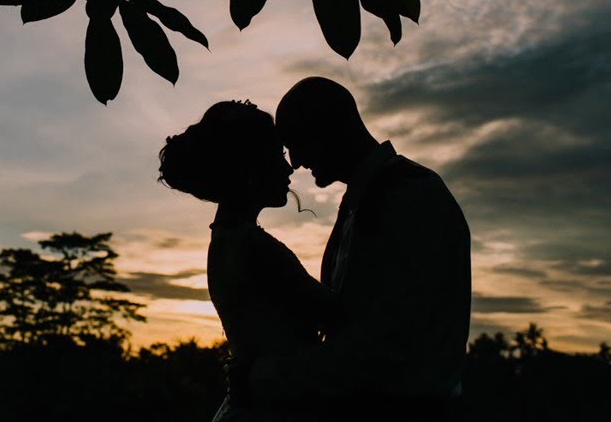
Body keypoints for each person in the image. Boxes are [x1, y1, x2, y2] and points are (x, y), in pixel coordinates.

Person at [239, 76, 472, 416]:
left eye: (297, 142)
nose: (296, 162)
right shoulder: (367, 198)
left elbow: (390, 339)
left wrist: (270, 376)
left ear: (329, 128)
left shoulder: (411, 197)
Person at [159, 100, 338, 421]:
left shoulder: (226, 241)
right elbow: (341, 319)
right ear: (248, 169)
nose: (289, 168)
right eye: (277, 155)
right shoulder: (256, 248)